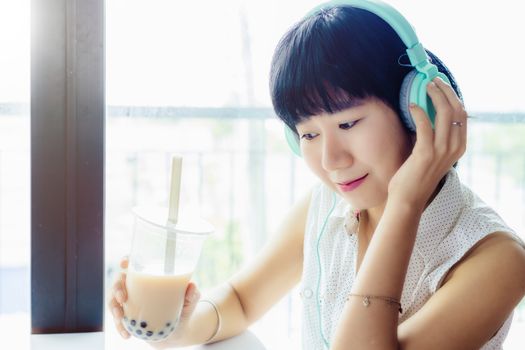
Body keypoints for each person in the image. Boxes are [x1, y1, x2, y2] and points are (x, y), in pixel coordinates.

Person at [109, 1, 525, 349]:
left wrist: (404, 203)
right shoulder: (327, 206)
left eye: (348, 124)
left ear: (418, 112)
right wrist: (178, 325)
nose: (330, 159)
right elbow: (239, 299)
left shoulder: (496, 258)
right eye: (308, 133)